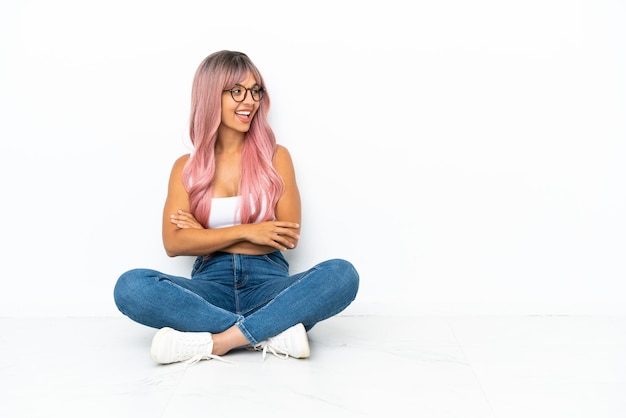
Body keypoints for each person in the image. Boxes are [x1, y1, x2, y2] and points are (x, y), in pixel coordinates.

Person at [113, 50, 359, 365]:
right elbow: (174, 244)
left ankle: (219, 342)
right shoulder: (185, 169)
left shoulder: (276, 158)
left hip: (268, 284)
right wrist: (251, 231)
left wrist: (204, 235)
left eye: (255, 91)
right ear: (211, 95)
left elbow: (287, 237)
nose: (250, 101)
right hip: (208, 288)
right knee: (131, 286)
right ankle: (270, 329)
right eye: (237, 91)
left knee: (342, 274)